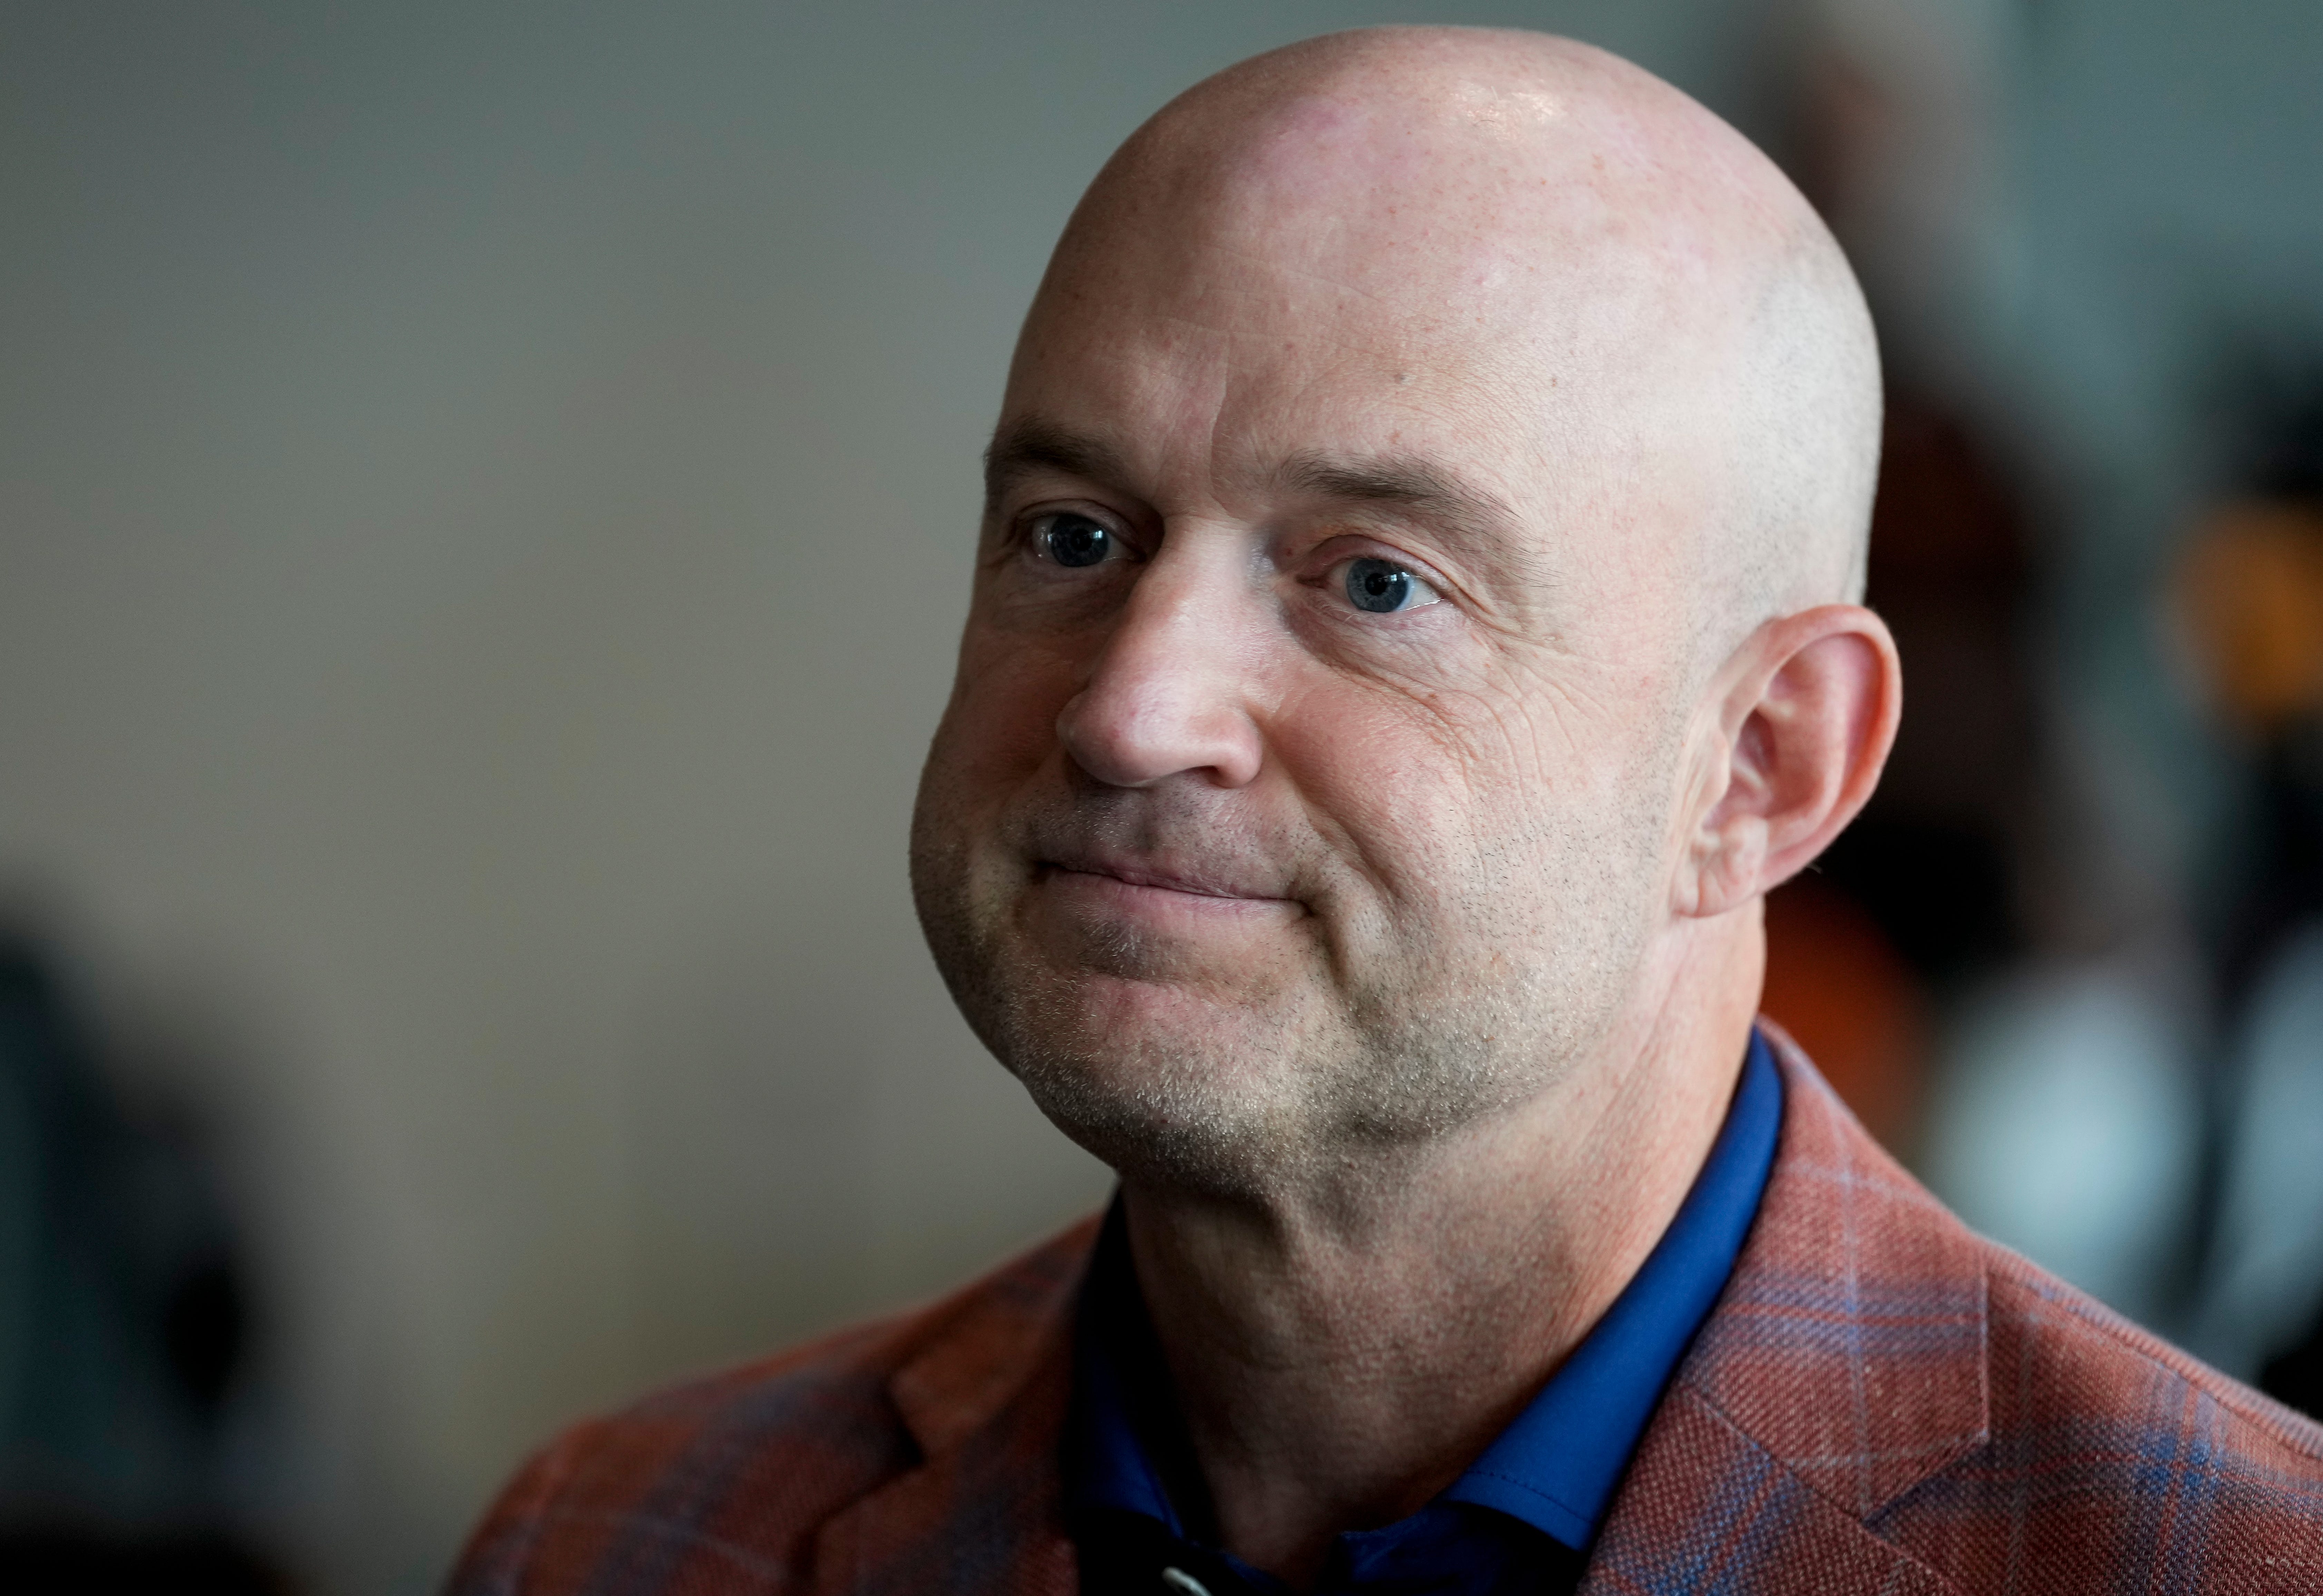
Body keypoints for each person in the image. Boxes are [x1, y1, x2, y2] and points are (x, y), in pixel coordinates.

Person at [446, 27, 2323, 1595]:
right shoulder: (616, 1543)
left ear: (1762, 765)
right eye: (1073, 536)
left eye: (1374, 583)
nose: (1130, 710)